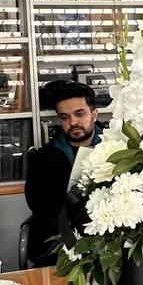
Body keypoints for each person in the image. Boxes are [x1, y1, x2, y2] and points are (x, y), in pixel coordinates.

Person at [24, 81, 104, 267]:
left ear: (94, 114)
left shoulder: (116, 149)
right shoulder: (43, 158)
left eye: (79, 114)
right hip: (59, 245)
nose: (73, 122)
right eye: (65, 117)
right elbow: (40, 207)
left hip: (109, 239)